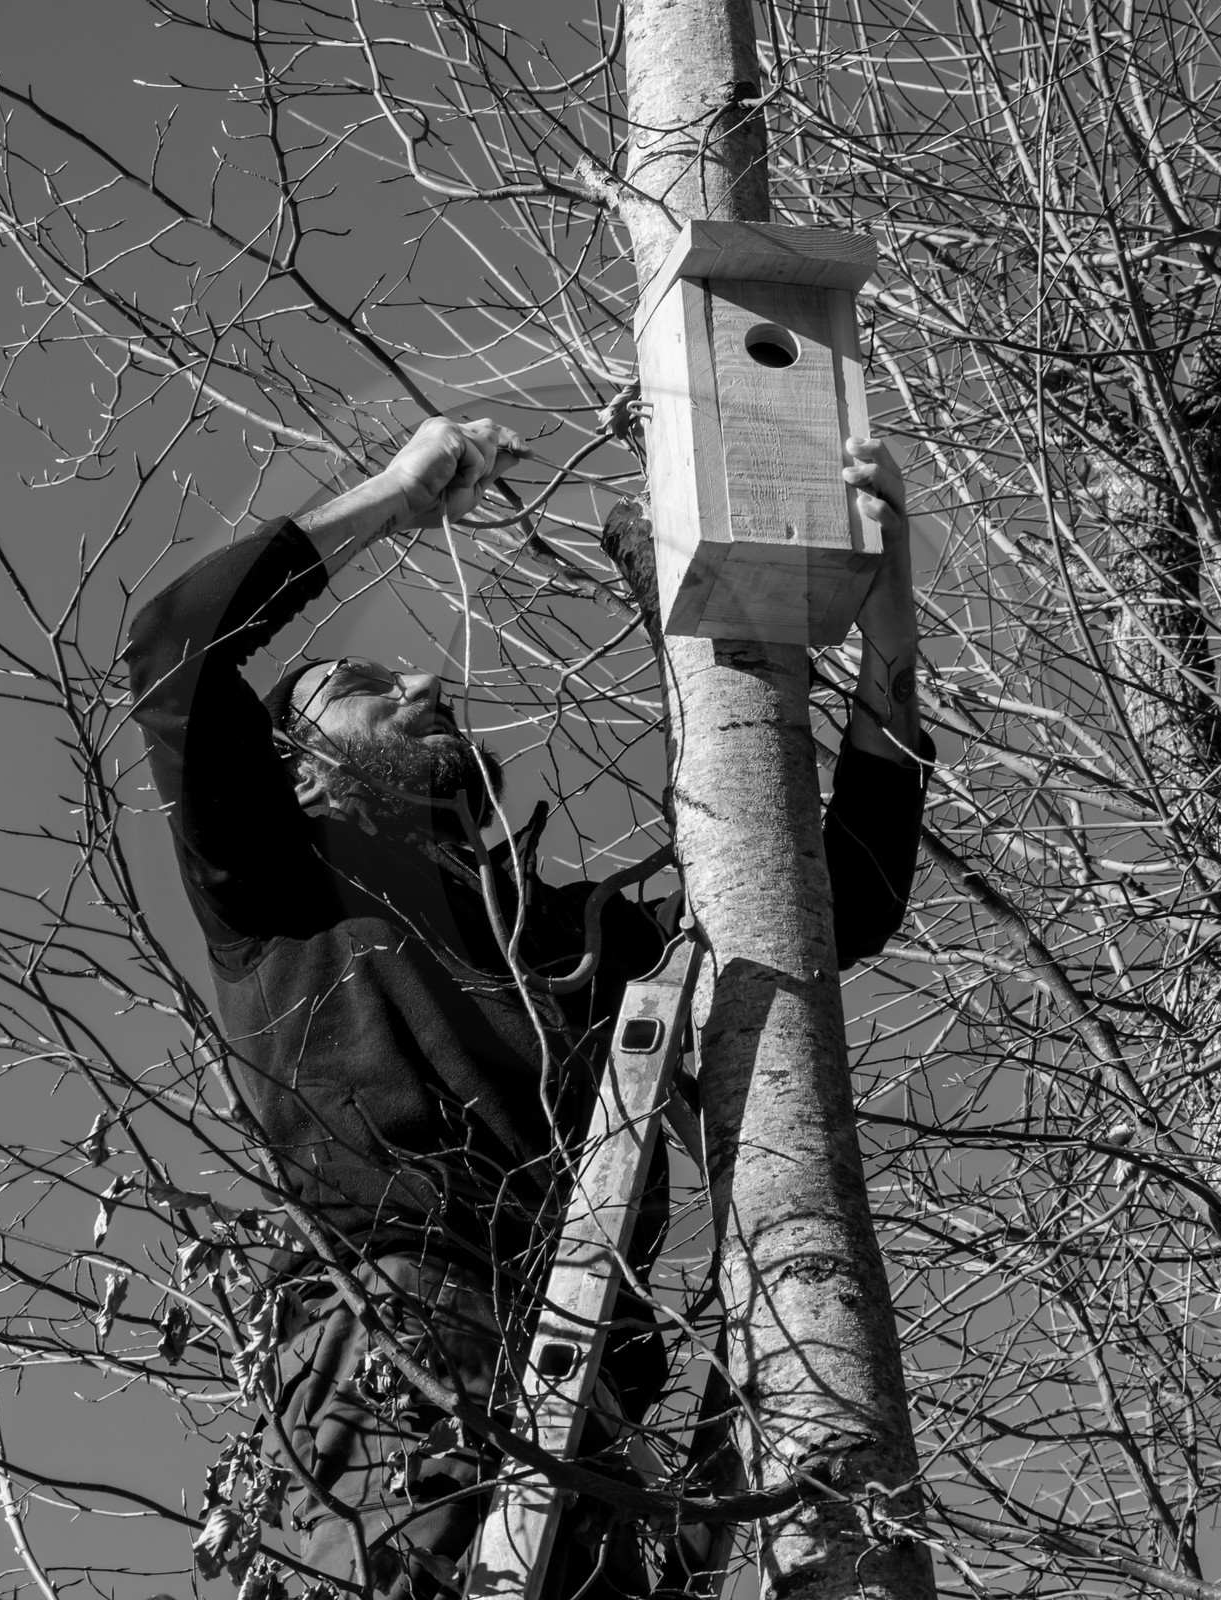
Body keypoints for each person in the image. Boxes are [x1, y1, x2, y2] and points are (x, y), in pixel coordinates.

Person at [123, 416, 929, 1599]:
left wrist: (890, 619)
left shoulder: (579, 943)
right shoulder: (285, 882)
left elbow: (833, 900)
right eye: (360, 683)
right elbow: (174, 649)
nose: (423, 678)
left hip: (596, 1404)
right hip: (394, 1365)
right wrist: (396, 499)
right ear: (295, 766)